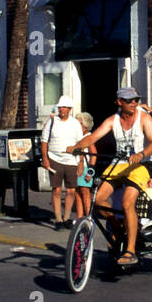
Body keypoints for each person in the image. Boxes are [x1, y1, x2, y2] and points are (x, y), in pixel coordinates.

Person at [67, 86, 152, 266]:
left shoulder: (144, 118)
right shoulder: (112, 120)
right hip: (119, 164)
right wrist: (77, 146)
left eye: (136, 100)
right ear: (119, 102)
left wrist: (141, 154)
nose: (134, 103)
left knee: (127, 202)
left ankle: (130, 250)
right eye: (129, 100)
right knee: (98, 199)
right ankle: (117, 227)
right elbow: (92, 138)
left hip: (141, 165)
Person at [40, 96, 85, 229]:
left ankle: (66, 218)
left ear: (70, 109)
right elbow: (44, 141)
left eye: (65, 107)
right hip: (54, 158)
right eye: (60, 107)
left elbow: (80, 143)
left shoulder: (75, 123)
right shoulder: (52, 121)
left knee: (71, 190)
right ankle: (58, 219)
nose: (62, 110)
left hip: (71, 160)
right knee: (57, 189)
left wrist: (81, 162)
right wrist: (45, 159)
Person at [73, 112, 95, 219]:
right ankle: (80, 219)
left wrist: (90, 172)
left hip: (85, 168)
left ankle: (88, 218)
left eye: (78, 123)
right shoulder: (79, 136)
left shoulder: (88, 137)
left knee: (85, 194)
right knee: (77, 193)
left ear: (84, 124)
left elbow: (94, 156)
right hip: (77, 167)